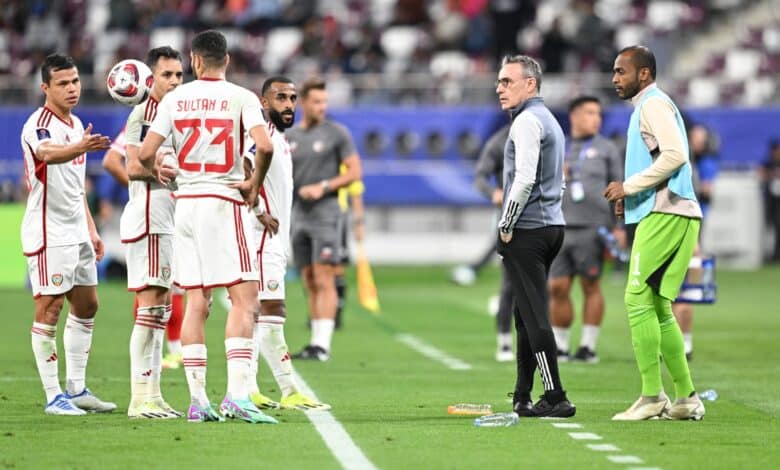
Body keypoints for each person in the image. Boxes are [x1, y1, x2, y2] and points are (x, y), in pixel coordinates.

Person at [136, 30, 276, 424]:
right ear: (226, 60)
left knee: (197, 301)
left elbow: (146, 153)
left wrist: (162, 172)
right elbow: (263, 146)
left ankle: (198, 401)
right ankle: (236, 396)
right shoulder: (242, 97)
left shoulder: (174, 98)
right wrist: (254, 184)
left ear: (195, 62)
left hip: (186, 206)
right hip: (222, 202)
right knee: (245, 298)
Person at [605, 45, 704, 421]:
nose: (615, 79)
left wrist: (629, 187)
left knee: (635, 300)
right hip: (675, 210)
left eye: (621, 72)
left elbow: (676, 154)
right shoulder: (652, 105)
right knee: (659, 305)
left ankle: (651, 397)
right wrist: (631, 198)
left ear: (643, 74)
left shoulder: (652, 104)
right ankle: (686, 398)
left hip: (667, 211)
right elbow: (662, 156)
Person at [21, 53, 116, 415]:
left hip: (77, 230)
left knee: (88, 304)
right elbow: (47, 153)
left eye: (75, 81)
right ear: (46, 87)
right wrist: (78, 148)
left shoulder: (77, 125)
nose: (72, 88)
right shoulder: (38, 124)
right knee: (49, 307)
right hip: (49, 231)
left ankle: (77, 389)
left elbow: (77, 187)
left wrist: (91, 229)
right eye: (63, 83)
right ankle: (53, 396)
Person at [242, 76, 330, 411]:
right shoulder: (260, 134)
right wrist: (258, 209)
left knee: (253, 314)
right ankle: (289, 389)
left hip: (271, 238)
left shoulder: (277, 137)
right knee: (272, 310)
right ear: (263, 102)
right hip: (262, 237)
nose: (289, 104)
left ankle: (248, 388)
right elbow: (245, 165)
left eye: (293, 98)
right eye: (281, 98)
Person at [495, 54, 575, 418]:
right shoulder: (550, 120)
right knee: (523, 314)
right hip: (551, 224)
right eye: (499, 81)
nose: (499, 88)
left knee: (534, 315)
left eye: (507, 81)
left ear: (531, 84)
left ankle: (555, 394)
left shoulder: (527, 121)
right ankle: (523, 395)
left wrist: (506, 225)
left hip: (528, 228)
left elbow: (525, 179)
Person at [117, 46, 185, 419]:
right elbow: (131, 165)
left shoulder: (174, 112)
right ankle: (138, 398)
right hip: (150, 215)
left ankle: (153, 394)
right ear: (151, 78)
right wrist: (161, 171)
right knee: (150, 308)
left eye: (179, 74)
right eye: (167, 75)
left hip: (169, 218)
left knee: (161, 310)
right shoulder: (145, 113)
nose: (175, 81)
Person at [287, 77, 362, 361]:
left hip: (327, 214)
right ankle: (315, 341)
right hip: (299, 215)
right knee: (307, 277)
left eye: (324, 101)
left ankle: (323, 344)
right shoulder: (290, 137)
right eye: (316, 101)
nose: (321, 106)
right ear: (303, 103)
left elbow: (354, 172)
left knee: (324, 275)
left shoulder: (337, 134)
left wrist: (324, 187)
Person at [103, 129, 185, 371]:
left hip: (178, 215)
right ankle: (152, 361)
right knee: (153, 289)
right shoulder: (141, 122)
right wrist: (138, 189)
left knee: (172, 287)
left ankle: (169, 351)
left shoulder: (181, 118)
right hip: (155, 215)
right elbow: (111, 160)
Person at [549, 96, 623, 364]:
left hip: (593, 226)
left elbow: (619, 188)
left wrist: (620, 227)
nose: (596, 119)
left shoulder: (607, 149)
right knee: (557, 287)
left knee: (590, 284)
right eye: (590, 113)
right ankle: (560, 345)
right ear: (575, 116)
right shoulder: (559, 147)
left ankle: (588, 346)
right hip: (559, 225)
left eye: (598, 114)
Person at [473, 124, 515, 362]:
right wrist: (493, 192)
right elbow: (480, 177)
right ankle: (504, 341)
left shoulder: (542, 133)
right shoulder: (499, 141)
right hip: (509, 221)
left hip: (540, 219)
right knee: (510, 284)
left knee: (539, 286)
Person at [334, 162, 366, 330]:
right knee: (313, 268)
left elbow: (356, 194)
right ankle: (317, 313)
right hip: (312, 215)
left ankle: (336, 312)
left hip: (338, 216)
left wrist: (359, 223)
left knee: (338, 266)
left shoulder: (344, 163)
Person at [760, 140, 780, 262]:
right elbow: (761, 172)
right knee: (770, 227)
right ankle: (771, 255)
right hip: (771, 201)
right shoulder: (769, 163)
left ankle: (777, 254)